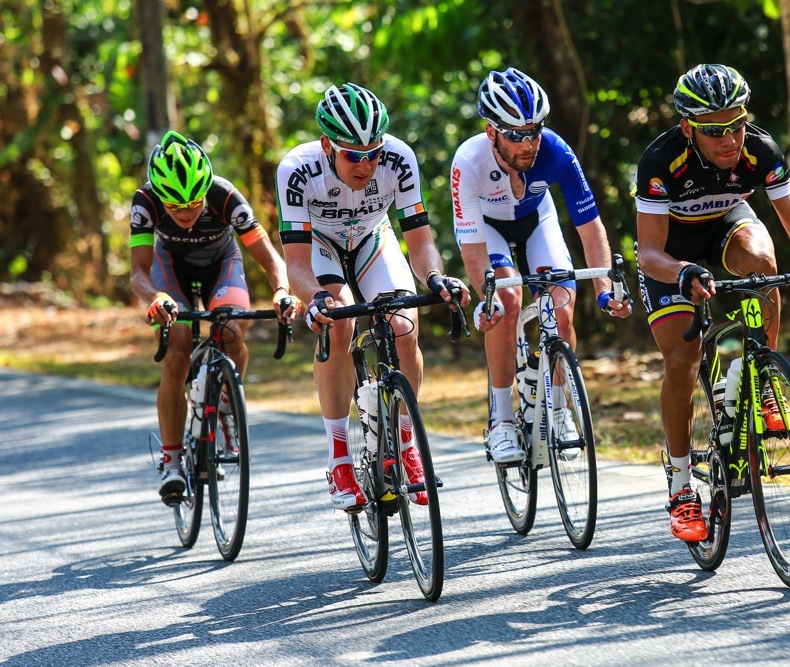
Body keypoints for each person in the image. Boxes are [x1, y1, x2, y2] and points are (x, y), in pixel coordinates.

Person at [634, 64, 790, 542]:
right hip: (671, 251)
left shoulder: (760, 149)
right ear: (688, 127)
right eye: (714, 130)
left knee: (762, 261)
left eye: (736, 124)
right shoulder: (661, 160)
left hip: (726, 224)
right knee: (682, 361)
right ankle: (680, 486)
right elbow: (649, 252)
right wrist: (683, 271)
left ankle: (763, 376)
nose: (729, 139)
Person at [275, 82, 471, 511]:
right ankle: (339, 457)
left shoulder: (399, 158)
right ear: (327, 145)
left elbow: (420, 241)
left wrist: (435, 277)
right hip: (320, 245)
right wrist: (316, 298)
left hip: (372, 239)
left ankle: (406, 441)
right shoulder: (297, 169)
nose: (365, 165)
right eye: (352, 156)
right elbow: (297, 265)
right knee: (340, 321)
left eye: (373, 154)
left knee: (404, 325)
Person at [451, 67, 631, 464]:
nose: (528, 143)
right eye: (515, 135)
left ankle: (560, 409)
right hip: (487, 229)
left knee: (562, 304)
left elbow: (590, 228)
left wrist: (604, 289)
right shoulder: (469, 161)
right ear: (491, 132)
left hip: (536, 220)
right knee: (508, 300)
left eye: (534, 131)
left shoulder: (556, 151)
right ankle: (501, 420)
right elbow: (473, 249)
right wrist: (487, 298)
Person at [132, 130, 298, 506]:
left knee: (232, 330)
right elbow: (138, 273)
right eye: (175, 206)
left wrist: (281, 291)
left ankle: (224, 404)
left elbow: (270, 257)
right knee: (176, 351)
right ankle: (172, 462)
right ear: (160, 198)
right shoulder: (145, 201)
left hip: (222, 263)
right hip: (169, 270)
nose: (186, 212)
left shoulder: (225, 196)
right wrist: (155, 297)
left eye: (194, 202)